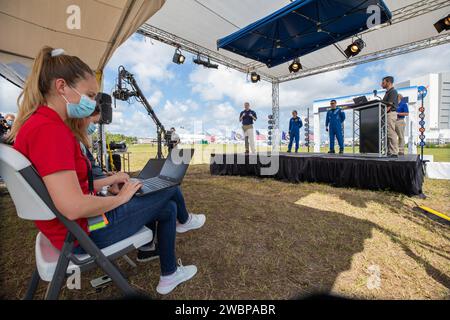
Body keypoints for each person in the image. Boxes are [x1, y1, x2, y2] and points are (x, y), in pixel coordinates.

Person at [9, 46, 205, 295]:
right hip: (81, 235)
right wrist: (120, 198)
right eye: (89, 95)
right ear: (61, 87)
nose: (92, 103)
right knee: (169, 188)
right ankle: (185, 223)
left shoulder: (38, 123)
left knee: (167, 208)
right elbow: (73, 205)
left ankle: (169, 273)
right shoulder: (50, 130)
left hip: (69, 230)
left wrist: (107, 185)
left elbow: (69, 187)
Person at [381, 76, 399, 157]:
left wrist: (383, 113)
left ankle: (394, 152)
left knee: (391, 133)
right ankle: (389, 151)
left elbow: (389, 105)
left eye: (383, 82)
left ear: (389, 82)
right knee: (387, 134)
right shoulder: (387, 92)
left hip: (390, 113)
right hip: (386, 114)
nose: (381, 84)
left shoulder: (393, 91)